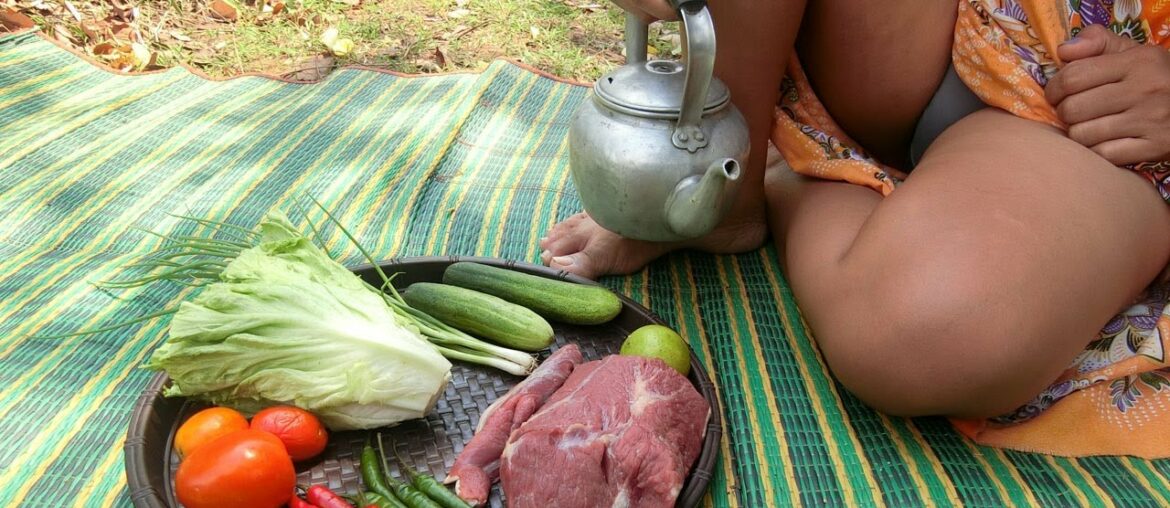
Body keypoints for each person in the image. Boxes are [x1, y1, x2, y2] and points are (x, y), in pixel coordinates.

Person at [539, 0, 1170, 420]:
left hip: (1101, 99)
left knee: (926, 339)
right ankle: (735, 180)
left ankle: (784, 168)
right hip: (941, 28)